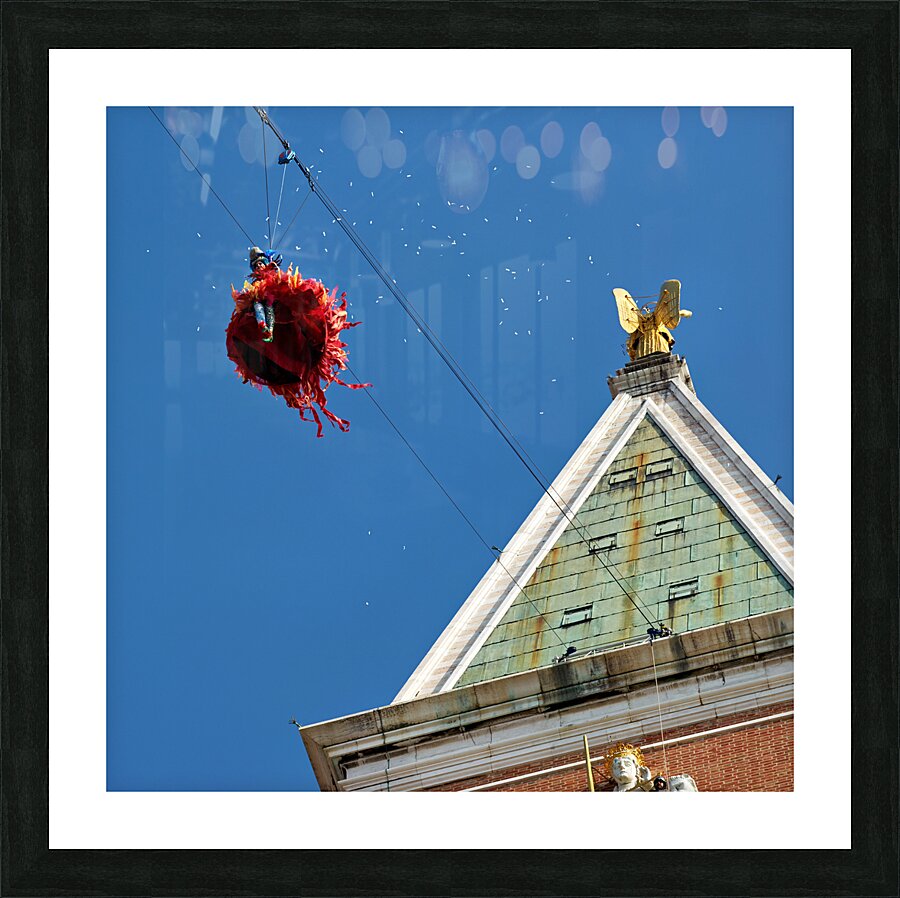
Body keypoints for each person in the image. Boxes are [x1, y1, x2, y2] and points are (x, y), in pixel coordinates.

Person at [247, 246, 282, 342]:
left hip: (271, 297)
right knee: (257, 306)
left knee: (269, 307)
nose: (258, 266)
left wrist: (273, 267)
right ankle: (262, 325)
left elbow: (278, 279)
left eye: (260, 263)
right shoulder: (255, 283)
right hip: (259, 298)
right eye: (256, 266)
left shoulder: (271, 275)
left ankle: (270, 331)